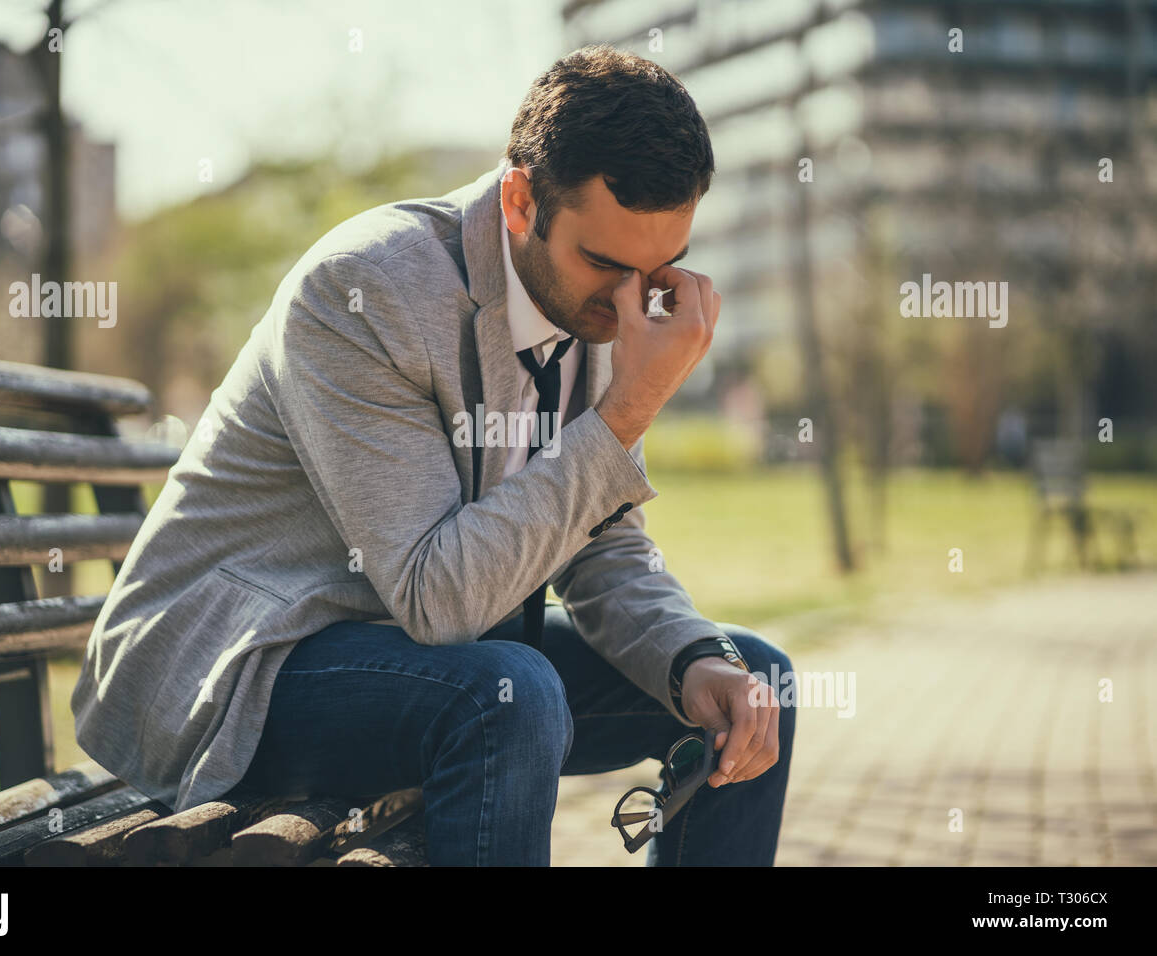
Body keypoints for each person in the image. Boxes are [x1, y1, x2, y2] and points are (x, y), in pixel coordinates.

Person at [72, 44, 796, 866]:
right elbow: (438, 599)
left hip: (427, 663)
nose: (632, 299)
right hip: (241, 667)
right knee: (507, 696)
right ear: (521, 199)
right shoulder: (364, 291)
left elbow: (594, 541)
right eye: (603, 262)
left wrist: (691, 657)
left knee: (754, 685)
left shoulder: (602, 314)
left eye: (657, 268)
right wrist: (627, 411)